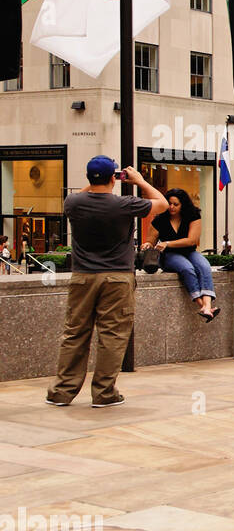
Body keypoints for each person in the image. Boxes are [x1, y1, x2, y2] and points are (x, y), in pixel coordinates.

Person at [46, 157, 168, 407]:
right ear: (114, 178)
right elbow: (162, 204)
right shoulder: (124, 204)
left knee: (75, 333)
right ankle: (103, 393)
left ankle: (61, 392)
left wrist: (96, 182)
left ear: (90, 178)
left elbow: (83, 194)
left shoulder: (73, 202)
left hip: (82, 277)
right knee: (112, 335)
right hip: (117, 278)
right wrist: (140, 181)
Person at [141, 188, 218, 321]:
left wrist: (167, 243)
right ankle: (202, 306)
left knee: (204, 266)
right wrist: (147, 245)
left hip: (189, 251)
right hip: (169, 255)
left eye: (175, 204)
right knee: (187, 268)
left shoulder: (193, 215)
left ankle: (208, 305)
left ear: (183, 204)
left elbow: (192, 240)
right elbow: (150, 241)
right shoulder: (159, 220)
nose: (171, 207)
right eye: (169, 203)